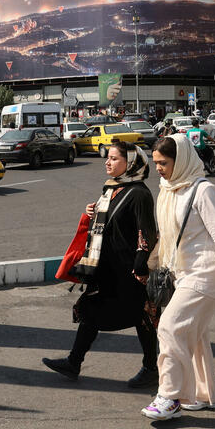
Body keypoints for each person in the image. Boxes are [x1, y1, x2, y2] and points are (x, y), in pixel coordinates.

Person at [140, 135, 215, 420]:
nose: (158, 168)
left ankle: (169, 396)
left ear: (181, 160)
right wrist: (150, 264)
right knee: (193, 337)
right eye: (156, 163)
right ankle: (199, 394)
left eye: (164, 163)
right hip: (181, 273)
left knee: (170, 328)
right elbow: (167, 237)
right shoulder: (168, 189)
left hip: (205, 274)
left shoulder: (204, 191)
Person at [43, 140, 159, 388]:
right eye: (108, 158)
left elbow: (146, 231)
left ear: (131, 163)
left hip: (129, 271)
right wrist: (90, 213)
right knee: (92, 311)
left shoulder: (139, 193)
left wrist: (140, 263)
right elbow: (107, 223)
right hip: (107, 269)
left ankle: (152, 367)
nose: (107, 162)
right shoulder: (112, 189)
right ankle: (74, 362)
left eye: (115, 158)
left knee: (142, 317)